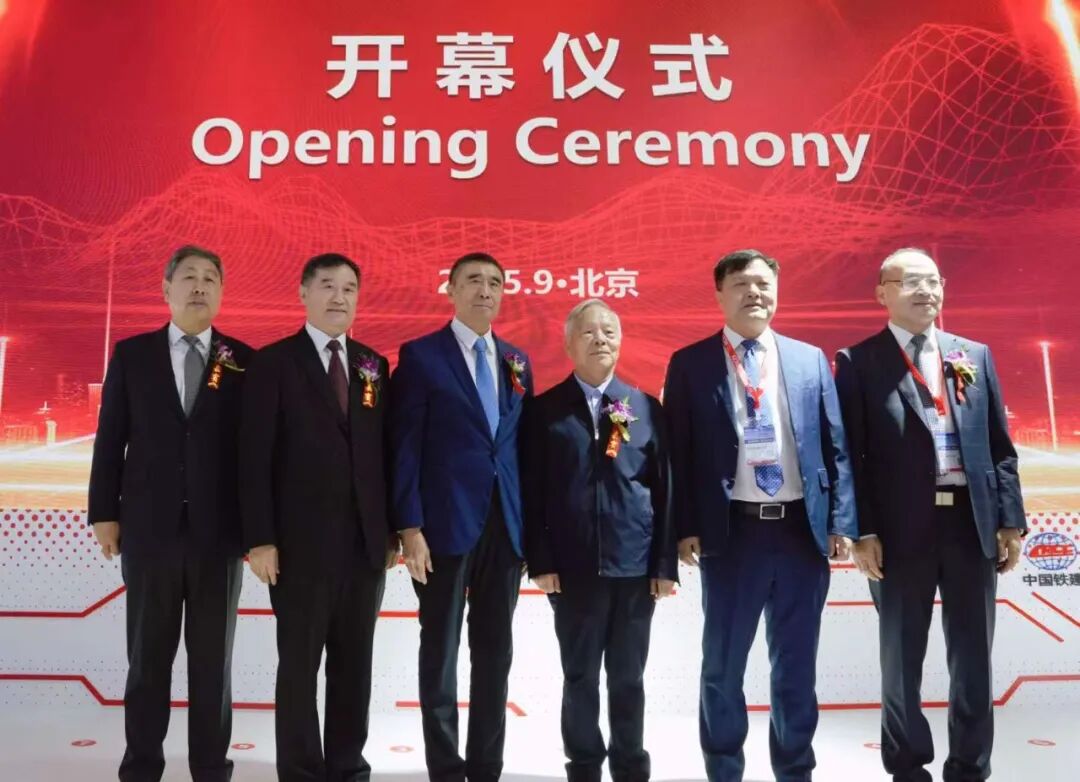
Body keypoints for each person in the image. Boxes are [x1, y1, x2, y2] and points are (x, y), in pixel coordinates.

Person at [663, 249, 856, 782]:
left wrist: (840, 521)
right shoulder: (691, 363)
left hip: (800, 533)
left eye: (764, 284)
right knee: (722, 666)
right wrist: (685, 527)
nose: (755, 293)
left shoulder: (808, 359)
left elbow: (836, 446)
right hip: (732, 534)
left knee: (796, 665)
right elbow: (677, 453)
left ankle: (795, 769)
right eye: (742, 284)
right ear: (719, 294)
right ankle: (724, 770)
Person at [835, 247, 1025, 782]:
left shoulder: (973, 355)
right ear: (883, 293)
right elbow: (849, 454)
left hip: (970, 524)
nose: (926, 291)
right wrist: (862, 531)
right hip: (898, 534)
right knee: (901, 657)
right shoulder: (859, 361)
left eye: (934, 281)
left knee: (973, 658)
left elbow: (999, 446)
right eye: (911, 282)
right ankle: (907, 765)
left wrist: (1009, 519)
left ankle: (970, 766)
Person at [88, 245, 252, 782]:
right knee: (147, 661)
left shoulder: (242, 359)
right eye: (189, 277)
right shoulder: (133, 355)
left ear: (221, 292)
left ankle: (211, 768)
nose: (199, 286)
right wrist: (103, 513)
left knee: (213, 665)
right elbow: (110, 439)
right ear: (166, 288)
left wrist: (258, 529)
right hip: (148, 531)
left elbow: (253, 453)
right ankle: (141, 767)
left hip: (219, 535)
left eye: (210, 278)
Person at [240, 253, 396, 782]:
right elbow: (253, 457)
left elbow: (383, 453)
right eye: (327, 285)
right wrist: (260, 538)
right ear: (303, 293)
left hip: (364, 547)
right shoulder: (273, 363)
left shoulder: (374, 364)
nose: (339, 297)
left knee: (354, 667)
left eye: (349, 288)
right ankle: (302, 770)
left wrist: (389, 531)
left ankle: (348, 766)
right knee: (300, 668)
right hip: (297, 548)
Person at [388, 251, 532, 782]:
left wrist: (527, 530)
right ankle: (446, 768)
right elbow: (405, 447)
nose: (485, 290)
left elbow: (517, 451)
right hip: (443, 527)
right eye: (473, 280)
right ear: (450, 290)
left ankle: (487, 766)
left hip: (505, 528)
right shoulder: (422, 356)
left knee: (495, 654)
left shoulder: (516, 360)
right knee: (441, 652)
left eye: (494, 282)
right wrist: (409, 527)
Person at [523, 298, 676, 782]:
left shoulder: (643, 407)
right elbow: (531, 492)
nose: (600, 340)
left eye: (609, 331)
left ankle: (630, 766)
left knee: (628, 678)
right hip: (572, 569)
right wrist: (540, 560)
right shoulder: (544, 411)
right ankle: (584, 767)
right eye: (588, 332)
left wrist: (663, 564)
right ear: (568, 344)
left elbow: (665, 489)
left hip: (635, 568)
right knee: (580, 676)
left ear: (621, 342)